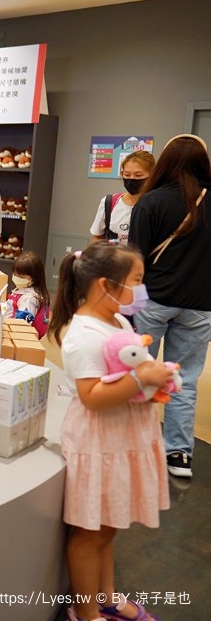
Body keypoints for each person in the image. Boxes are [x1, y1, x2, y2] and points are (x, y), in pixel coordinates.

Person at [48, 242, 173, 621]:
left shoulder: (116, 321)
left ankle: (107, 596)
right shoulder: (83, 334)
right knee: (92, 533)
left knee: (109, 526)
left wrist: (154, 385)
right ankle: (86, 613)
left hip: (122, 437)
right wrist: (142, 378)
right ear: (106, 284)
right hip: (99, 442)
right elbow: (92, 396)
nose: (141, 290)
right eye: (136, 281)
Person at [128, 133, 211, 479]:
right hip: (200, 305)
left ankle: (131, 443)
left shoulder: (150, 203)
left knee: (135, 373)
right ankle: (178, 454)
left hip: (152, 300)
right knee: (184, 380)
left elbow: (134, 260)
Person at [89, 150, 155, 245]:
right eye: (127, 174)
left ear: (152, 175)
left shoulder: (156, 206)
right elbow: (97, 236)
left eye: (138, 175)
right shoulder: (109, 203)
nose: (132, 179)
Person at [8, 251, 50, 338]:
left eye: (21, 277)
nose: (16, 278)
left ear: (35, 277)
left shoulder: (29, 298)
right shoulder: (21, 289)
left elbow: (22, 325)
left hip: (16, 336)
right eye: (15, 275)